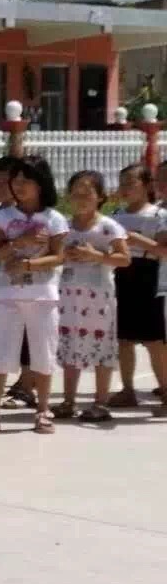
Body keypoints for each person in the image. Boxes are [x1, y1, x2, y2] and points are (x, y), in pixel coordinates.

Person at [0, 156, 67, 435]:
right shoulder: (3, 216)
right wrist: (20, 243)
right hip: (9, 294)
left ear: (40, 183)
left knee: (43, 355)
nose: (18, 186)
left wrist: (29, 263)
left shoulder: (54, 218)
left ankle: (43, 410)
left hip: (43, 295)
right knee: (2, 354)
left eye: (25, 180)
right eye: (15, 180)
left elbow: (58, 256)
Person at [56, 171, 129, 422]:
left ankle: (101, 401)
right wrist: (65, 254)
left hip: (99, 296)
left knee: (101, 347)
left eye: (87, 192)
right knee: (69, 346)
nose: (81, 197)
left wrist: (95, 256)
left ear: (100, 197)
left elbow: (124, 258)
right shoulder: (63, 226)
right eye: (76, 192)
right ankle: (68, 400)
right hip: (68, 294)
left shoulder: (108, 226)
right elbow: (52, 253)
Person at [0, 156, 35, 408]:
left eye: (3, 181)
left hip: (22, 283)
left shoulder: (29, 213)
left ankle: (26, 384)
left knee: (26, 335)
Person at [110, 164, 167, 407]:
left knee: (155, 340)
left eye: (130, 183)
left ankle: (165, 389)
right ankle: (127, 389)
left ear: (146, 185)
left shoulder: (158, 215)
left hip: (149, 276)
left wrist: (136, 239)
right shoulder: (115, 215)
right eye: (122, 183)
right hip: (123, 275)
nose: (125, 189)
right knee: (123, 339)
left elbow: (163, 250)